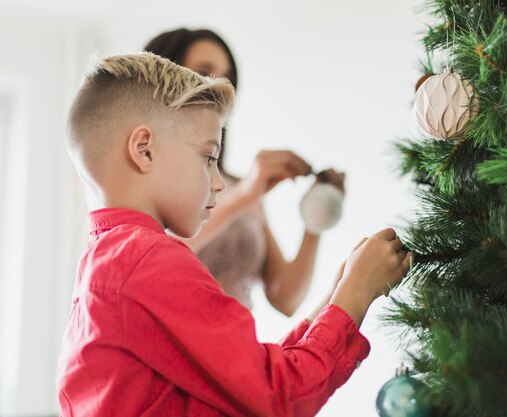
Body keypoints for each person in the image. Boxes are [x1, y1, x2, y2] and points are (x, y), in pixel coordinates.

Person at [56, 52, 413, 416]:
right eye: (208, 157)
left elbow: (251, 377)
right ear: (144, 150)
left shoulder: (107, 259)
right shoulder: (149, 260)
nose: (219, 181)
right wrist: (356, 296)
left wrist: (337, 298)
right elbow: (279, 395)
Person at [144, 28, 344, 314]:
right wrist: (243, 197)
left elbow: (285, 297)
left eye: (229, 78)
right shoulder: (144, 176)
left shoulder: (242, 186)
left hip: (237, 354)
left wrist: (317, 215)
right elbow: (147, 261)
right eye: (203, 72)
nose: (221, 87)